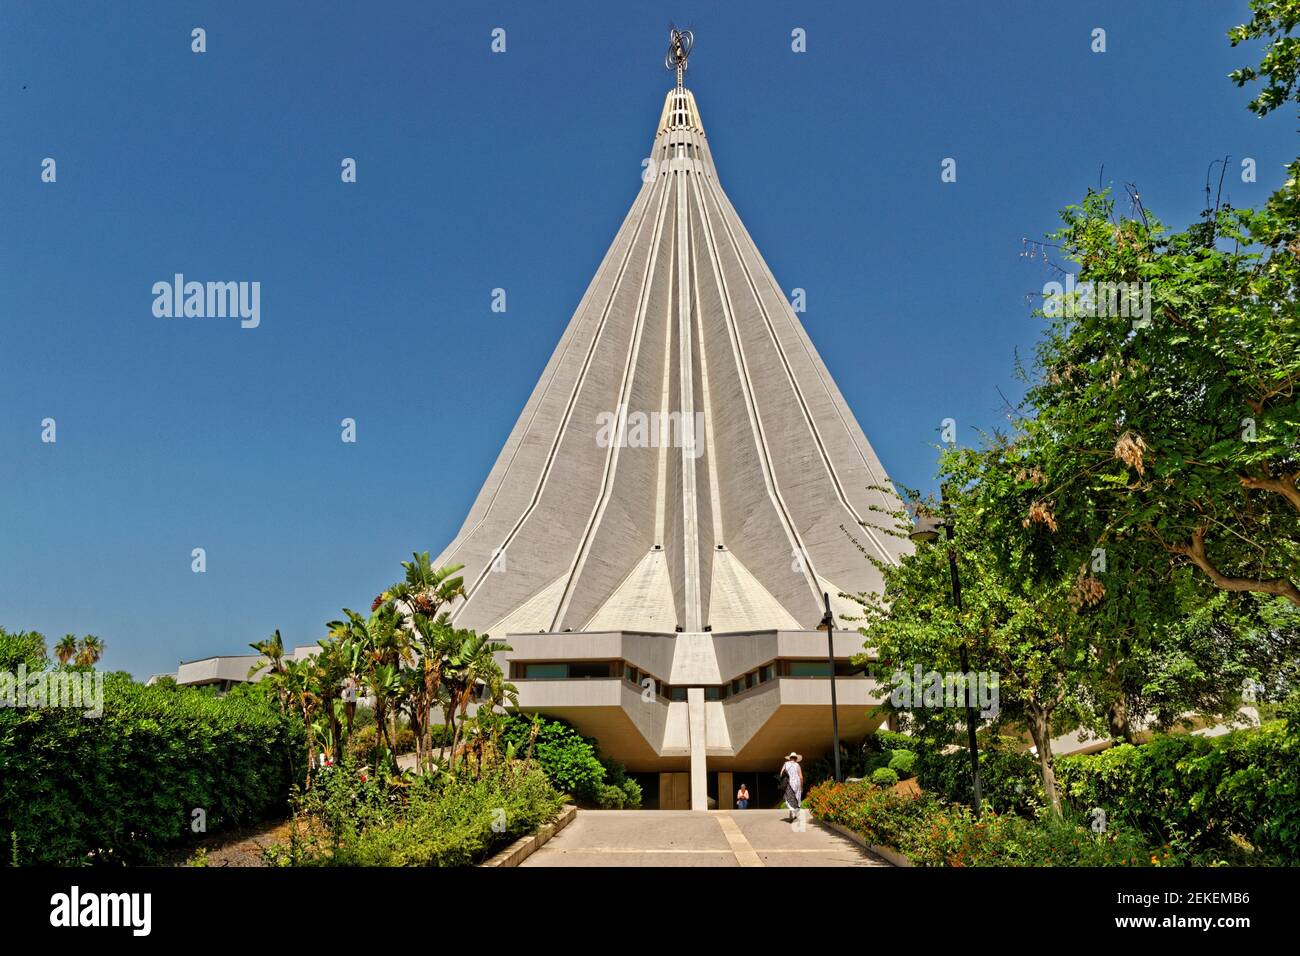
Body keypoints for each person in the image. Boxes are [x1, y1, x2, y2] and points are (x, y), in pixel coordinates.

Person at [779, 751, 803, 822]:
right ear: (795, 758)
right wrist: (801, 786)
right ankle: (794, 814)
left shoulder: (786, 764)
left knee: (789, 797)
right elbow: (801, 777)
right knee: (796, 798)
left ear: (790, 758)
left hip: (789, 783)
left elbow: (781, 774)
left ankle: (791, 811)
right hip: (797, 783)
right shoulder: (797, 765)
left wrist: (784, 779)